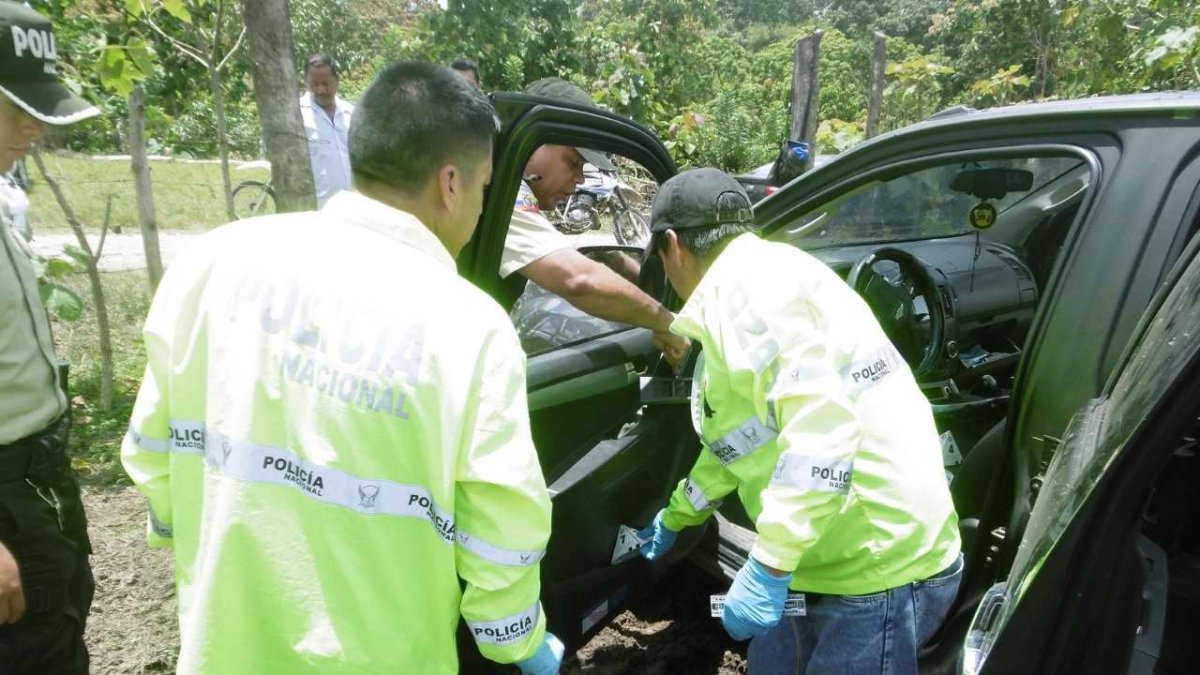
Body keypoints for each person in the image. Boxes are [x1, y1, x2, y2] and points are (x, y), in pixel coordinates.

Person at [122, 62, 562, 675]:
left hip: (225, 650)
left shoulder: (213, 262)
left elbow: (152, 452)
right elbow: (503, 529)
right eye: (488, 186)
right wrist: (516, 639)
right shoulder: (471, 329)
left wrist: (195, 536)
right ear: (451, 183)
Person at [637, 168, 962, 675]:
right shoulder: (767, 276)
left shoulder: (747, 301)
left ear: (672, 245)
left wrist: (768, 564)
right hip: (817, 556)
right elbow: (742, 439)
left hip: (875, 567)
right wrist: (680, 514)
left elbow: (821, 436)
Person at [0, 3, 101, 672]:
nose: (34, 127)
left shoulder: (5, 193)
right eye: (15, 107)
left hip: (36, 476)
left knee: (57, 631)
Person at [502, 77, 688, 367]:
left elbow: (557, 256)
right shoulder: (505, 194)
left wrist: (615, 262)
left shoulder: (504, 187)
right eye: (574, 162)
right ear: (535, 142)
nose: (579, 179)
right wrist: (667, 322)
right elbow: (577, 280)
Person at [300, 53, 354, 208]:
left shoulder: (351, 113)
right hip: (318, 208)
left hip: (354, 205)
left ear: (337, 80)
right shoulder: (297, 115)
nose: (321, 90)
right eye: (314, 84)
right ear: (306, 82)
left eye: (326, 83)